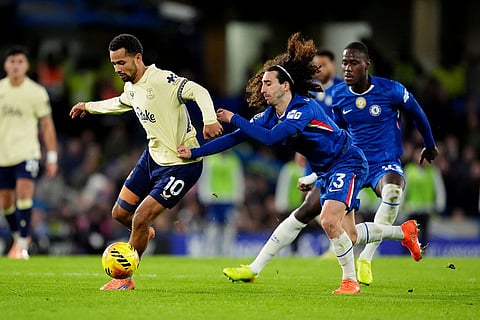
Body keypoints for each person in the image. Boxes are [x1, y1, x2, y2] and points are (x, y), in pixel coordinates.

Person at [178, 32, 422, 294]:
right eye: (262, 84)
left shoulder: (303, 108)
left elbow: (271, 138)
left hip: (348, 162)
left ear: (285, 86)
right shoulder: (270, 114)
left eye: (268, 83)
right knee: (348, 234)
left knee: (329, 221)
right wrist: (195, 153)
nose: (262, 89)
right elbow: (236, 138)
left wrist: (235, 118)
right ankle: (403, 232)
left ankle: (349, 282)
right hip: (326, 169)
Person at [69, 33, 223, 290]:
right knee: (119, 214)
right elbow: (119, 103)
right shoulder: (131, 87)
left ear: (137, 58)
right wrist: (89, 106)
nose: (117, 69)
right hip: (152, 158)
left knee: (140, 218)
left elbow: (198, 90)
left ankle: (124, 279)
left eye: (122, 63)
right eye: (114, 64)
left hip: (182, 165)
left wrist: (208, 118)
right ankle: (143, 232)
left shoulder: (162, 79)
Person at [330, 41, 439, 285]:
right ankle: (402, 233)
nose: (347, 68)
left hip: (384, 163)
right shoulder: (337, 97)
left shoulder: (391, 90)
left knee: (392, 191)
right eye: (345, 63)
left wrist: (429, 143)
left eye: (354, 63)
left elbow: (418, 113)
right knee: (350, 233)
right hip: (355, 165)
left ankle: (366, 259)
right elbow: (336, 133)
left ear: (367, 65)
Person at [0, 45, 59, 259]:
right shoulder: (1, 90)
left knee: (24, 192)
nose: (16, 66)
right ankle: (18, 236)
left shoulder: (36, 92)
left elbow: (47, 125)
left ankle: (23, 244)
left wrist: (51, 156)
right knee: (5, 201)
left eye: (20, 62)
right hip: (3, 154)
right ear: (6, 65)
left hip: (28, 152)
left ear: (26, 66)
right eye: (12, 62)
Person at [310, 48, 342, 113]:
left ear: (333, 65)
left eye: (323, 65)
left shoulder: (342, 89)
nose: (319, 70)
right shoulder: (308, 89)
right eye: (316, 66)